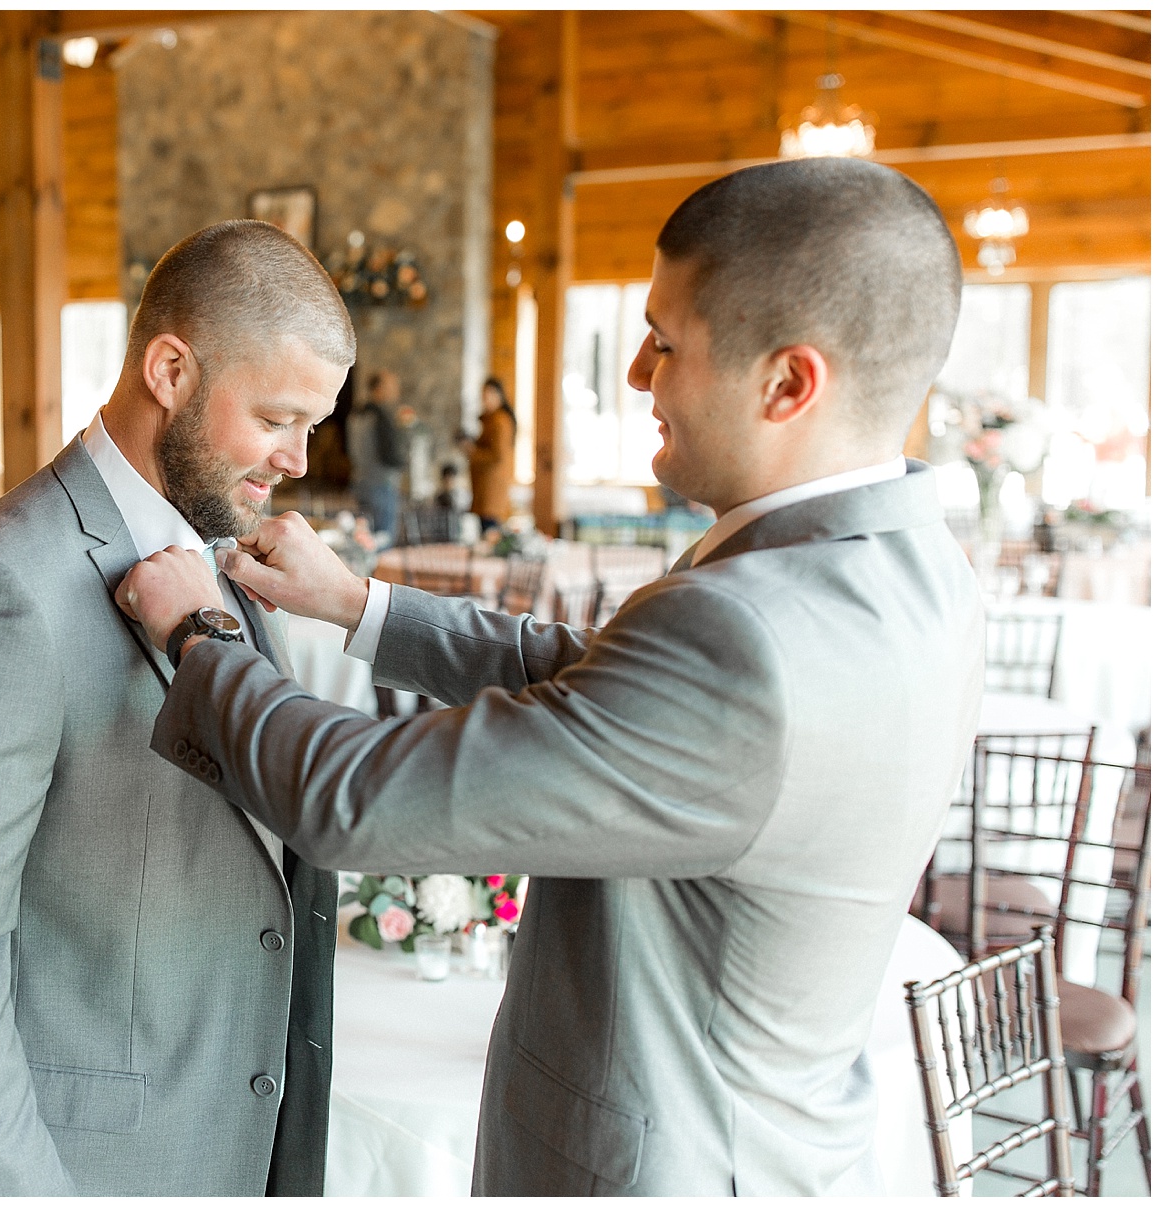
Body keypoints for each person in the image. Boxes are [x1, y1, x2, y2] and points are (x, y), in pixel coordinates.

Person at [116, 158, 981, 1195]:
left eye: (665, 344)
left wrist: (202, 639)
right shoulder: (908, 565)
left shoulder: (754, 633)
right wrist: (360, 606)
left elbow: (360, 800)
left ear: (787, 382)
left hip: (664, 1165)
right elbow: (602, 689)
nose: (636, 378)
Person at [0, 220, 353, 1195]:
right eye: (278, 418)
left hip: (219, 1137)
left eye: (313, 427)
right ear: (170, 369)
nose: (297, 459)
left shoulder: (226, 554)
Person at [345, 371, 409, 544]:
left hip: (360, 480)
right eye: (392, 386)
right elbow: (390, 454)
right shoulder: (380, 416)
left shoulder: (356, 414)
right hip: (381, 483)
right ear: (379, 389)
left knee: (364, 536)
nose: (396, 391)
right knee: (382, 538)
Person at [467, 377, 515, 531]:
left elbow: (498, 455)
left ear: (498, 395)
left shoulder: (500, 421)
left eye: (488, 394)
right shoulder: (491, 420)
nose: (484, 398)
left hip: (492, 490)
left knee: (490, 534)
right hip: (486, 488)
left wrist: (473, 452)